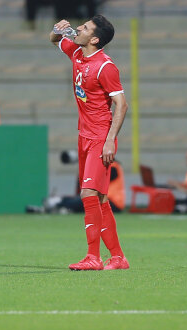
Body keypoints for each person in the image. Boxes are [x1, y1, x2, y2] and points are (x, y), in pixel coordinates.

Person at [49, 16, 129, 271]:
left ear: (94, 39)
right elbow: (54, 40)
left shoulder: (105, 67)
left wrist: (110, 141)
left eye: (84, 28)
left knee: (88, 194)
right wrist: (57, 30)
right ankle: (118, 257)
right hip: (84, 135)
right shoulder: (77, 53)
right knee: (101, 199)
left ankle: (93, 257)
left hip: (100, 137)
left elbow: (121, 104)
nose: (78, 29)